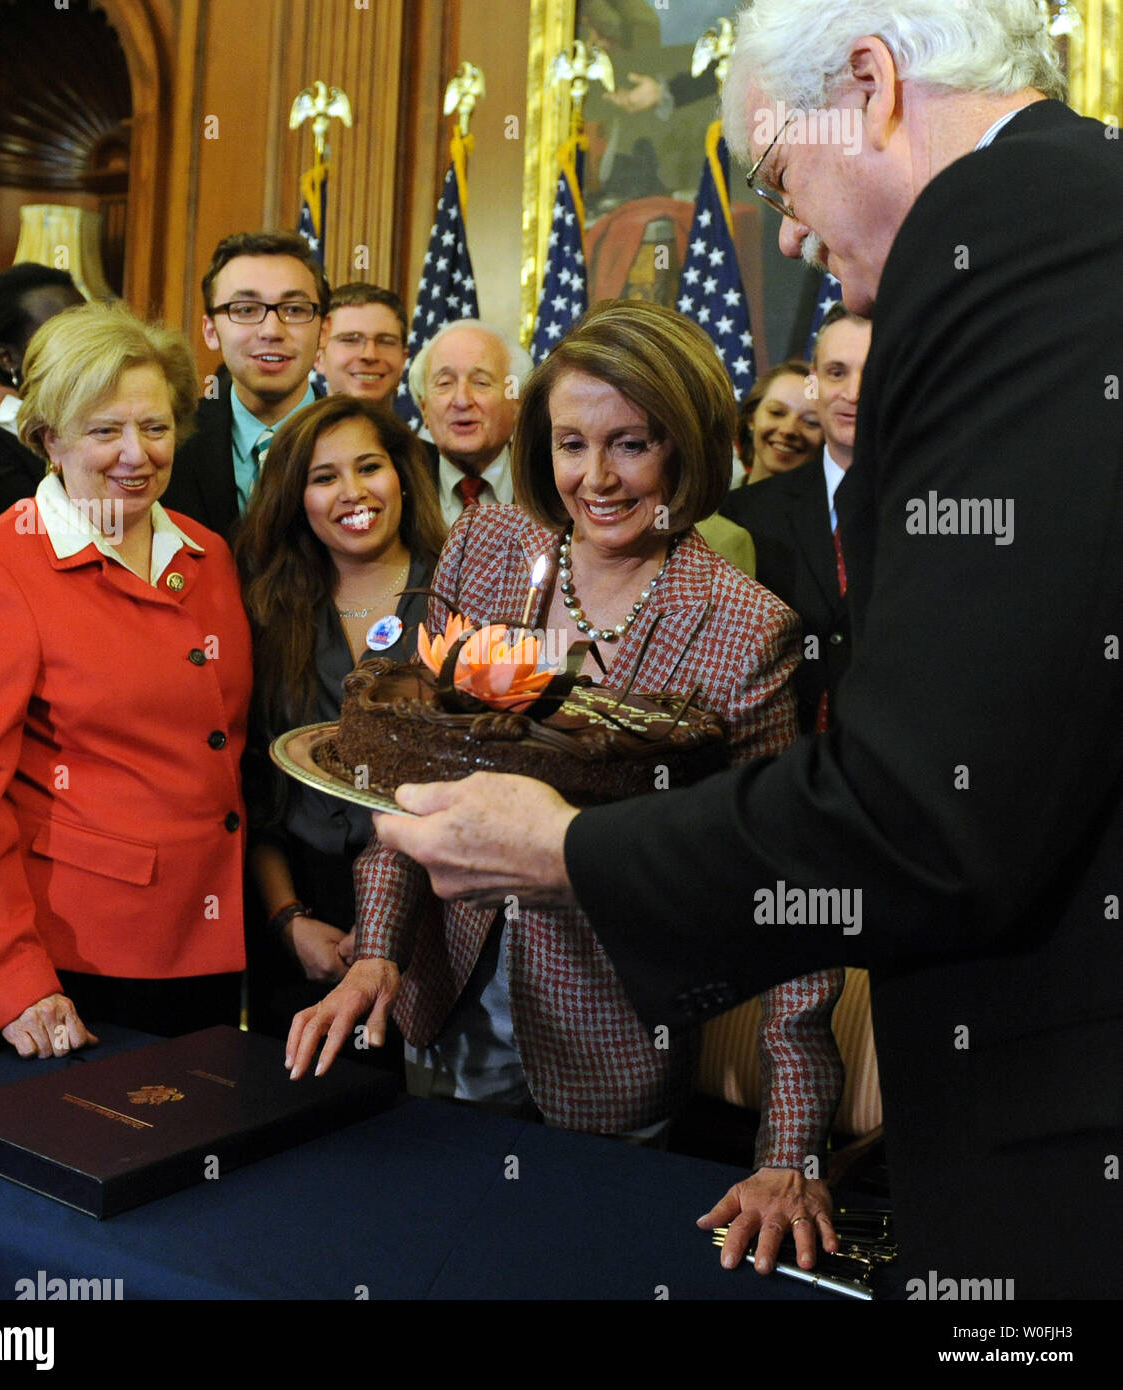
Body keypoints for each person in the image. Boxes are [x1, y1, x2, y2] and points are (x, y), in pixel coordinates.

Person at [367, 0, 1123, 1298]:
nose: (784, 227)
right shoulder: (1073, 215)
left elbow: (929, 808)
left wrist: (563, 852)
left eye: (778, 173)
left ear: (871, 84)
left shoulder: (1011, 240)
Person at [288, 303, 846, 1226]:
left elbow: (787, 887)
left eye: (630, 444)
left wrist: (790, 1151)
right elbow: (410, 776)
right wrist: (379, 953)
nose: (596, 478)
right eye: (571, 444)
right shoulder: (488, 548)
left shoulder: (748, 628)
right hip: (446, 1001)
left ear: (690, 446)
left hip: (613, 1044)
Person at [0, 303, 252, 1056]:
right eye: (106, 431)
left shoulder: (207, 554)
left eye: (156, 427)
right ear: (48, 438)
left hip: (210, 947)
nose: (136, 454)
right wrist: (7, 977)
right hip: (76, 966)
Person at [234, 395, 444, 1041]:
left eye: (368, 468)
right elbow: (257, 788)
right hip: (293, 917)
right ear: (297, 499)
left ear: (403, 475)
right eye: (324, 478)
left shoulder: (458, 597)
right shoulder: (266, 610)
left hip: (431, 917)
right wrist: (287, 920)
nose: (352, 492)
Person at [723, 305, 871, 731]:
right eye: (837, 372)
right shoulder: (745, 515)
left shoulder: (936, 508)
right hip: (772, 760)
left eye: (871, 370)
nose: (854, 392)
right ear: (815, 383)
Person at [162, 230, 329, 540]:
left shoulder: (372, 449)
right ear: (210, 330)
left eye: (294, 310)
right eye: (245, 310)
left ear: (324, 330)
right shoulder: (168, 444)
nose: (271, 330)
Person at [0, 263, 84, 546]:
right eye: (61, 335)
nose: (85, 343)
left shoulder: (131, 425)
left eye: (88, 326)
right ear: (8, 358)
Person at [407, 319, 531, 525]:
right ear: (424, 409)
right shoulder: (402, 489)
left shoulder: (550, 486)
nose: (462, 401)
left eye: (481, 383)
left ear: (517, 403)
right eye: (444, 383)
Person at [314, 282, 409, 408]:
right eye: (351, 340)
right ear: (318, 357)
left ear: (403, 360)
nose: (370, 355)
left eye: (385, 341)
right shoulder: (291, 428)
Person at [735, 360, 823, 486]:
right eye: (776, 412)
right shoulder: (709, 502)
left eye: (811, 422)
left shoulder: (836, 505)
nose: (788, 429)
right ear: (751, 418)